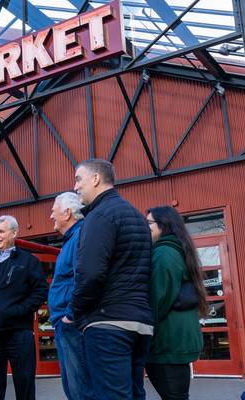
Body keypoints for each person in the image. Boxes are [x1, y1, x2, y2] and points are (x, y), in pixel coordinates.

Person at [70, 159, 154, 400]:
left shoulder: (99, 216)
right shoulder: (137, 217)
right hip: (140, 323)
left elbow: (90, 274)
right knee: (134, 393)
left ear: (96, 179)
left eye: (78, 179)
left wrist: (76, 311)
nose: (75, 187)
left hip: (108, 324)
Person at [0, 215, 48, 400]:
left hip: (19, 334)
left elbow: (41, 291)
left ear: (14, 233)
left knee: (24, 383)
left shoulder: (28, 261)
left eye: (1, 232)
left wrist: (20, 311)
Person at [145, 206, 207, 400]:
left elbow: (157, 300)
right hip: (176, 343)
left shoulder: (164, 253)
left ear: (164, 226)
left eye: (149, 223)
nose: (145, 228)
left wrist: (143, 332)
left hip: (168, 344)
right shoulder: (178, 249)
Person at [47, 192, 92, 400]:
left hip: (71, 324)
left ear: (67, 213)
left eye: (53, 210)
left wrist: (70, 316)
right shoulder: (71, 239)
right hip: (65, 323)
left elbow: (82, 279)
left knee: (79, 389)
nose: (51, 216)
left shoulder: (79, 236)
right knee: (72, 387)